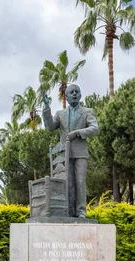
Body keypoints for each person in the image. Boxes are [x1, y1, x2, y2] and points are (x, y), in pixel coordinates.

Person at [42, 84, 99, 218]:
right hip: (64, 154)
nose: (74, 94)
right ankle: (66, 210)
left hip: (80, 153)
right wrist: (46, 108)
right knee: (67, 182)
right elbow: (50, 127)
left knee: (80, 181)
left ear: (80, 95)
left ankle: (81, 211)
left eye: (76, 92)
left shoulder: (87, 111)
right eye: (71, 92)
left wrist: (78, 133)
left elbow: (95, 128)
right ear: (66, 97)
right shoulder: (60, 114)